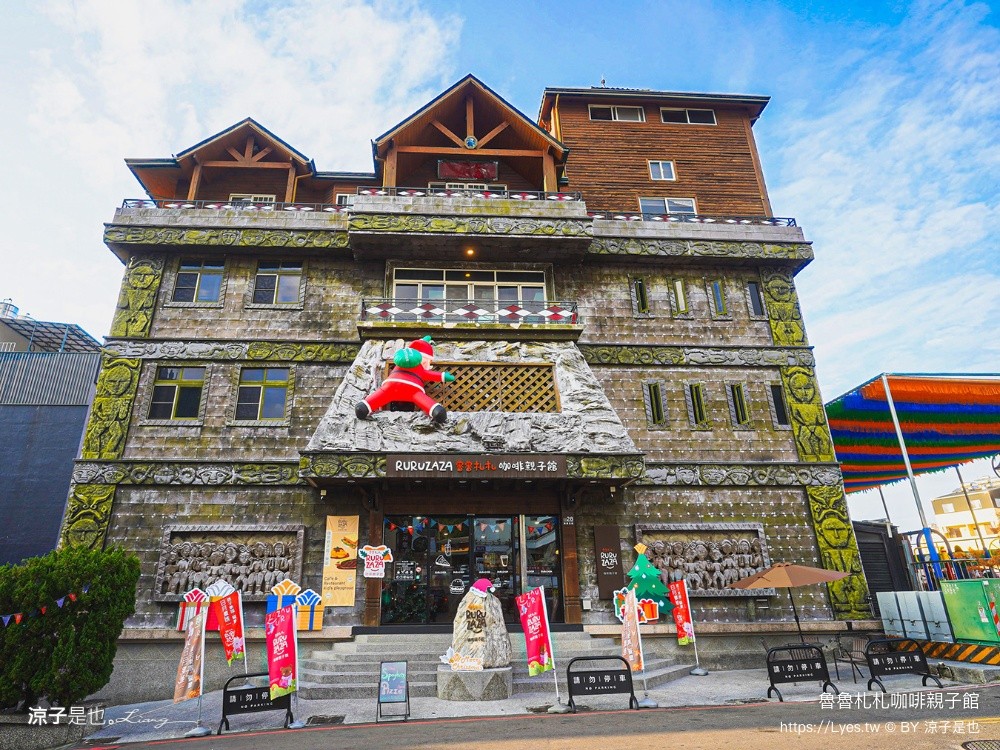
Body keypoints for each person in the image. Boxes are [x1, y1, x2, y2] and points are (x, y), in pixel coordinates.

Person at [356, 336, 455, 423]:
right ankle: (436, 411)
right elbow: (430, 374)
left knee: (381, 395)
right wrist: (444, 376)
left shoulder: (399, 364)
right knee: (422, 399)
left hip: (391, 384)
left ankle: (364, 407)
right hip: (413, 389)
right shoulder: (419, 368)